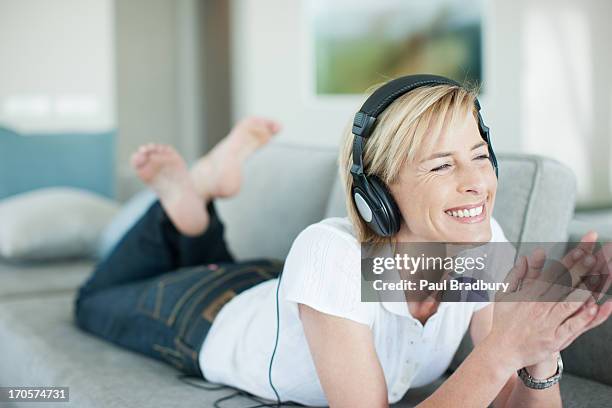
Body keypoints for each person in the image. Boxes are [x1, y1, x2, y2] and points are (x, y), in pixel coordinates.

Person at [74, 78, 612, 408]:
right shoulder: (332, 252)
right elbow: (490, 364)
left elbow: (512, 400)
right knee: (95, 299)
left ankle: (200, 200)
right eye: (442, 164)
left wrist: (540, 351)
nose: (477, 180)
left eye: (478, 155)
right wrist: (501, 350)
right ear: (377, 191)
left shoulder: (480, 247)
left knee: (217, 262)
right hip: (211, 315)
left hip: (290, 294)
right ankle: (189, 202)